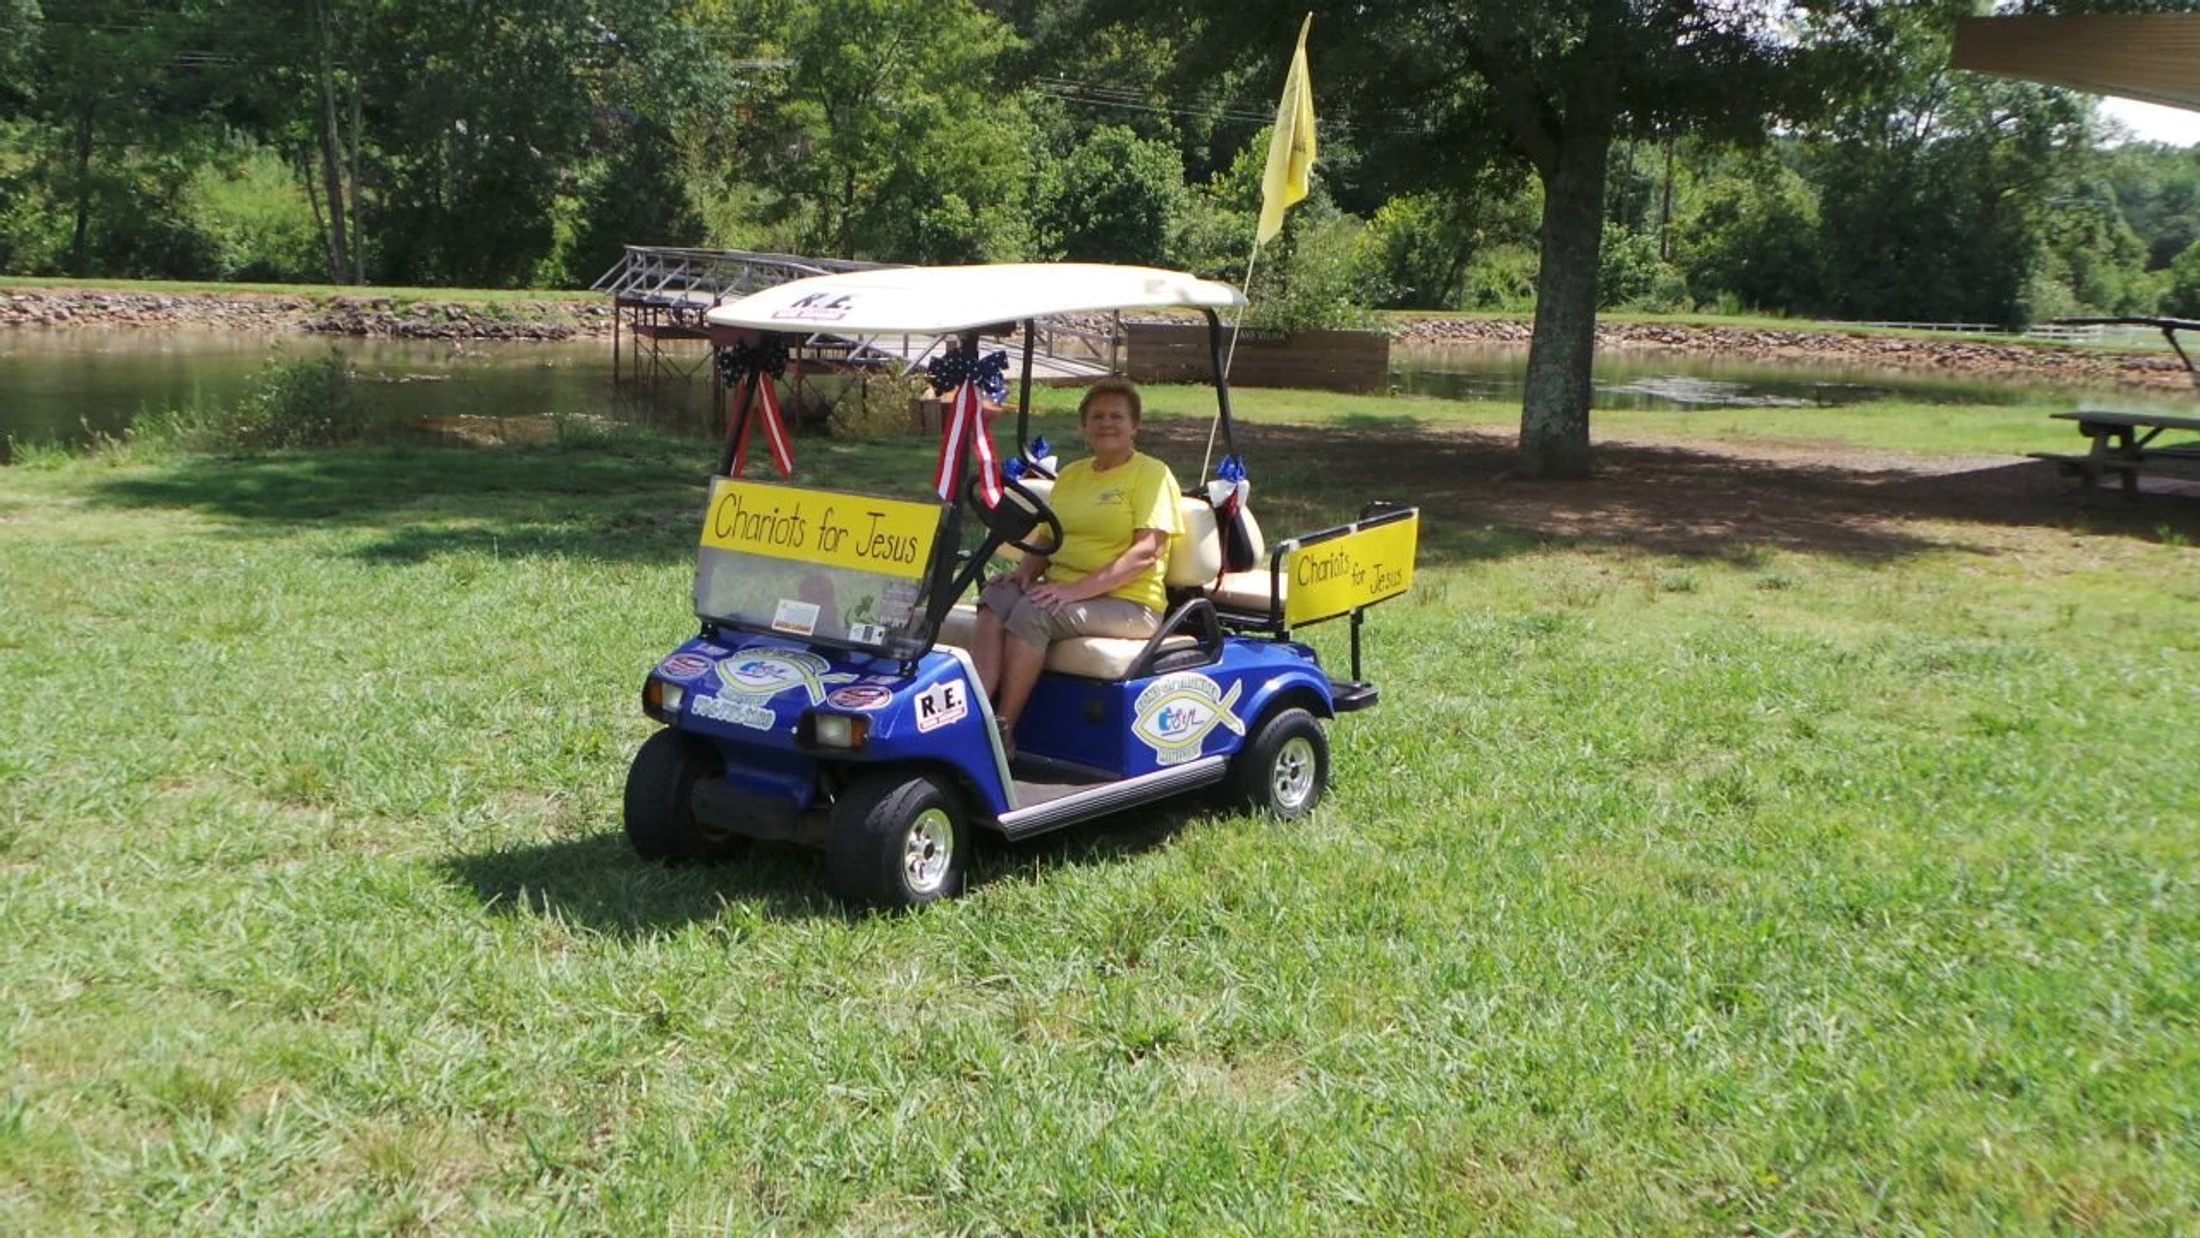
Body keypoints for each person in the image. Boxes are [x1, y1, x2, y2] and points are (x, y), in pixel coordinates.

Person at [972, 379, 1181, 756]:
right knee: (996, 596)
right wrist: (1024, 574)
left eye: (1117, 416)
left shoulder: (1152, 474)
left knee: (1033, 612)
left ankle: (1002, 732)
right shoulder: (1072, 474)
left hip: (1131, 604)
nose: (1106, 423)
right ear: (1083, 426)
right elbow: (1048, 538)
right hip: (1067, 594)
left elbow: (1146, 552)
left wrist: (1073, 591)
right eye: (1097, 416)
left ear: (1135, 425)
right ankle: (976, 713)